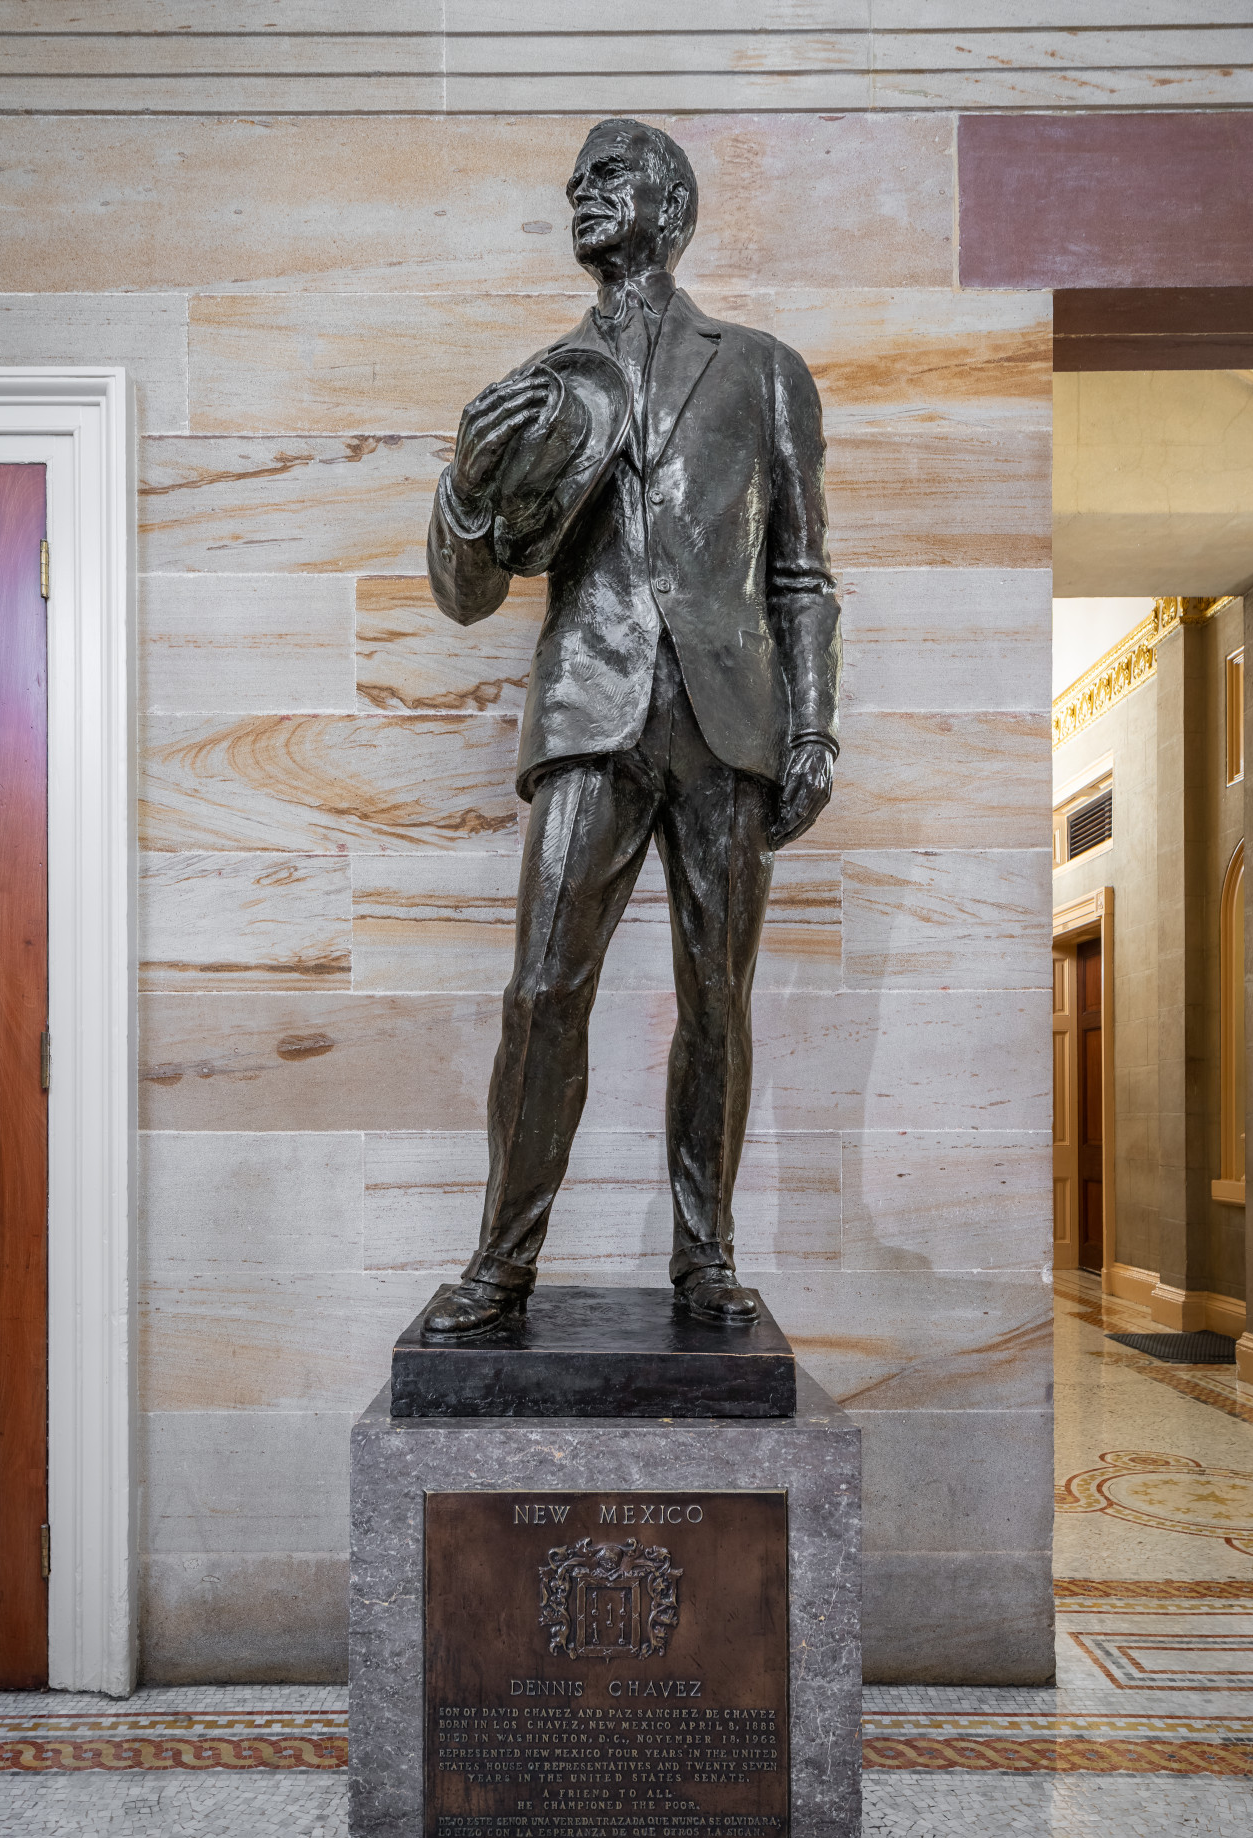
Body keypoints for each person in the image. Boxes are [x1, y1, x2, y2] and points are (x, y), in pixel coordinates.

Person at [423, 117, 841, 1335]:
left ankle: (705, 1257)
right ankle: (502, 1261)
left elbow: (801, 574)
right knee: (543, 989)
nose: (578, 194)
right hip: (590, 713)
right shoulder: (542, 388)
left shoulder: (764, 368)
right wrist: (461, 483)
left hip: (729, 723)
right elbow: (467, 588)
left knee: (718, 995)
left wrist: (811, 726)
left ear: (670, 199)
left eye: (604, 177)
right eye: (572, 182)